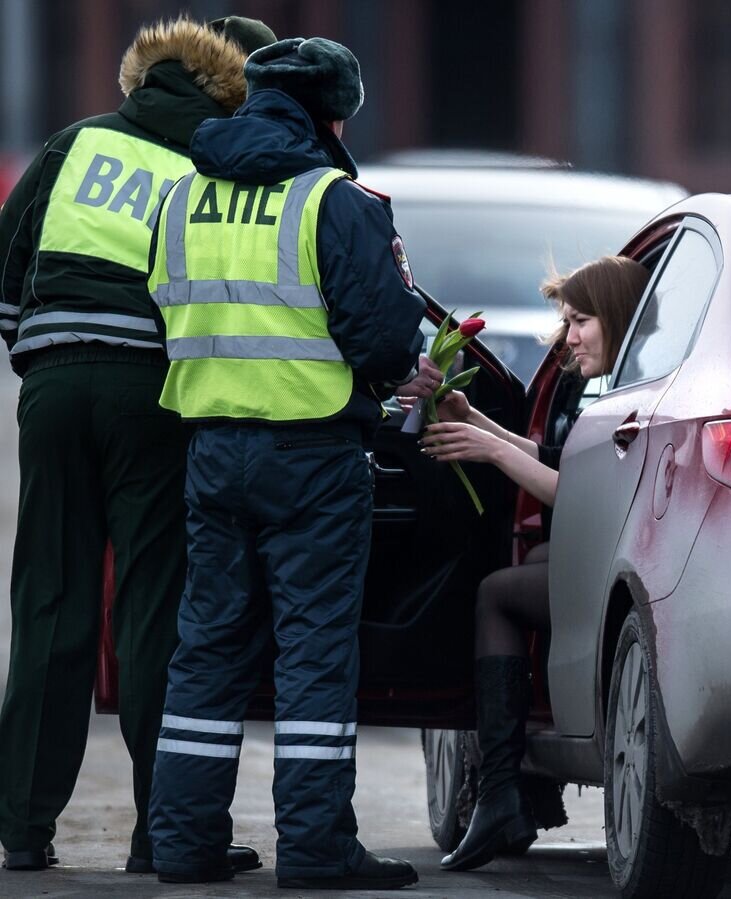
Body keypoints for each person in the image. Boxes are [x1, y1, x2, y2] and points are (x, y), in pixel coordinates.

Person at [144, 36, 440, 890]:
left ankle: (184, 843)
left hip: (209, 450)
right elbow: (384, 338)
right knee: (312, 650)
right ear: (332, 113)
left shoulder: (180, 196)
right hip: (311, 453)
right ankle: (314, 847)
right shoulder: (331, 201)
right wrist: (395, 374)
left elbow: (167, 307)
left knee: (205, 646)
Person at [0, 15, 276, 876]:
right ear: (227, 88)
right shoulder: (217, 160)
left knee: (50, 599)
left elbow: (8, 258)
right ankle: (164, 830)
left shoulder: (76, 142)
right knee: (154, 610)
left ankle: (23, 828)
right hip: (152, 393)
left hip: (52, 385)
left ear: (144, 76)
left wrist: (35, 346)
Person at [422, 254, 649, 871]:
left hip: (619, 570)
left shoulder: (630, 387)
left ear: (618, 317)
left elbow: (573, 490)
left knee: (495, 593)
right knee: (535, 556)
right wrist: (477, 424)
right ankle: (505, 791)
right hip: (606, 561)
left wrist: (486, 450)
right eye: (568, 322)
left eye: (582, 322)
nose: (568, 338)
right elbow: (557, 457)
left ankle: (501, 793)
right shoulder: (615, 381)